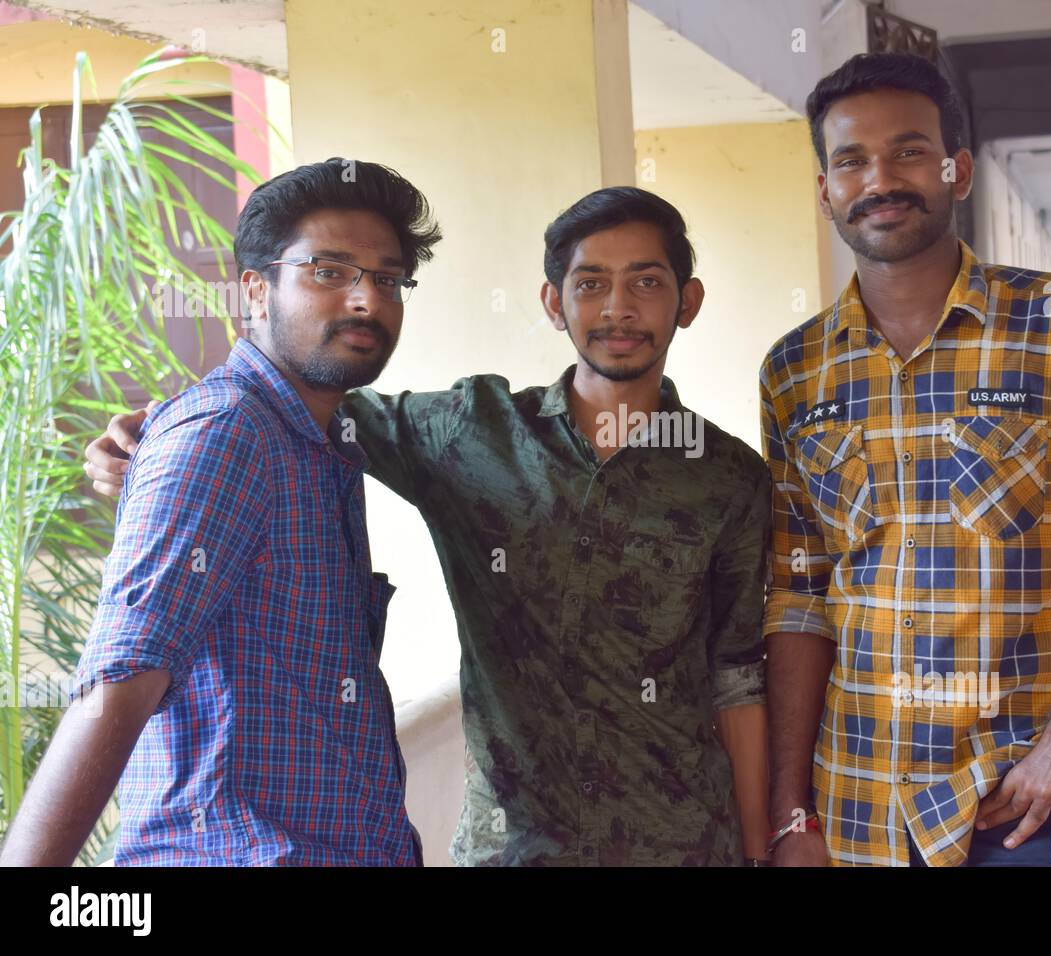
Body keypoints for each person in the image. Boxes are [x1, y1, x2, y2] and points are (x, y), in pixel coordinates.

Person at [83, 187, 772, 866]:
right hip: (513, 848)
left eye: (646, 282)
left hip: (683, 841)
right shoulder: (470, 431)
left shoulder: (728, 478)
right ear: (553, 303)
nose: (618, 308)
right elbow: (294, 403)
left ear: (688, 301)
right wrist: (155, 434)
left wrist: (759, 848)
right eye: (591, 283)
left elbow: (736, 678)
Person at [761, 52, 1051, 868]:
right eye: (851, 160)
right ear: (825, 190)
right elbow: (801, 595)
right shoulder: (795, 370)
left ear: (957, 169)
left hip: (1022, 799)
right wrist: (788, 812)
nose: (880, 178)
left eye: (909, 151)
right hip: (855, 801)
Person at [1, 158, 438, 865]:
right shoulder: (224, 435)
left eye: (387, 279)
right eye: (330, 271)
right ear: (255, 291)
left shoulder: (325, 446)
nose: (366, 299)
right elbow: (115, 684)